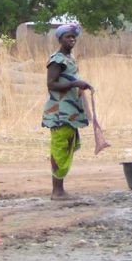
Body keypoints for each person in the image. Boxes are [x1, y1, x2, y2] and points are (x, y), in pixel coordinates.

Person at [41, 23, 93, 200]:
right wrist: (74, 84)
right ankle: (57, 191)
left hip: (69, 111)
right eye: (67, 37)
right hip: (60, 113)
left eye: (73, 37)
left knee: (66, 147)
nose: (72, 39)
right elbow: (51, 84)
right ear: (60, 39)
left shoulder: (69, 58)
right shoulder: (57, 60)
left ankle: (60, 189)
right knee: (60, 149)